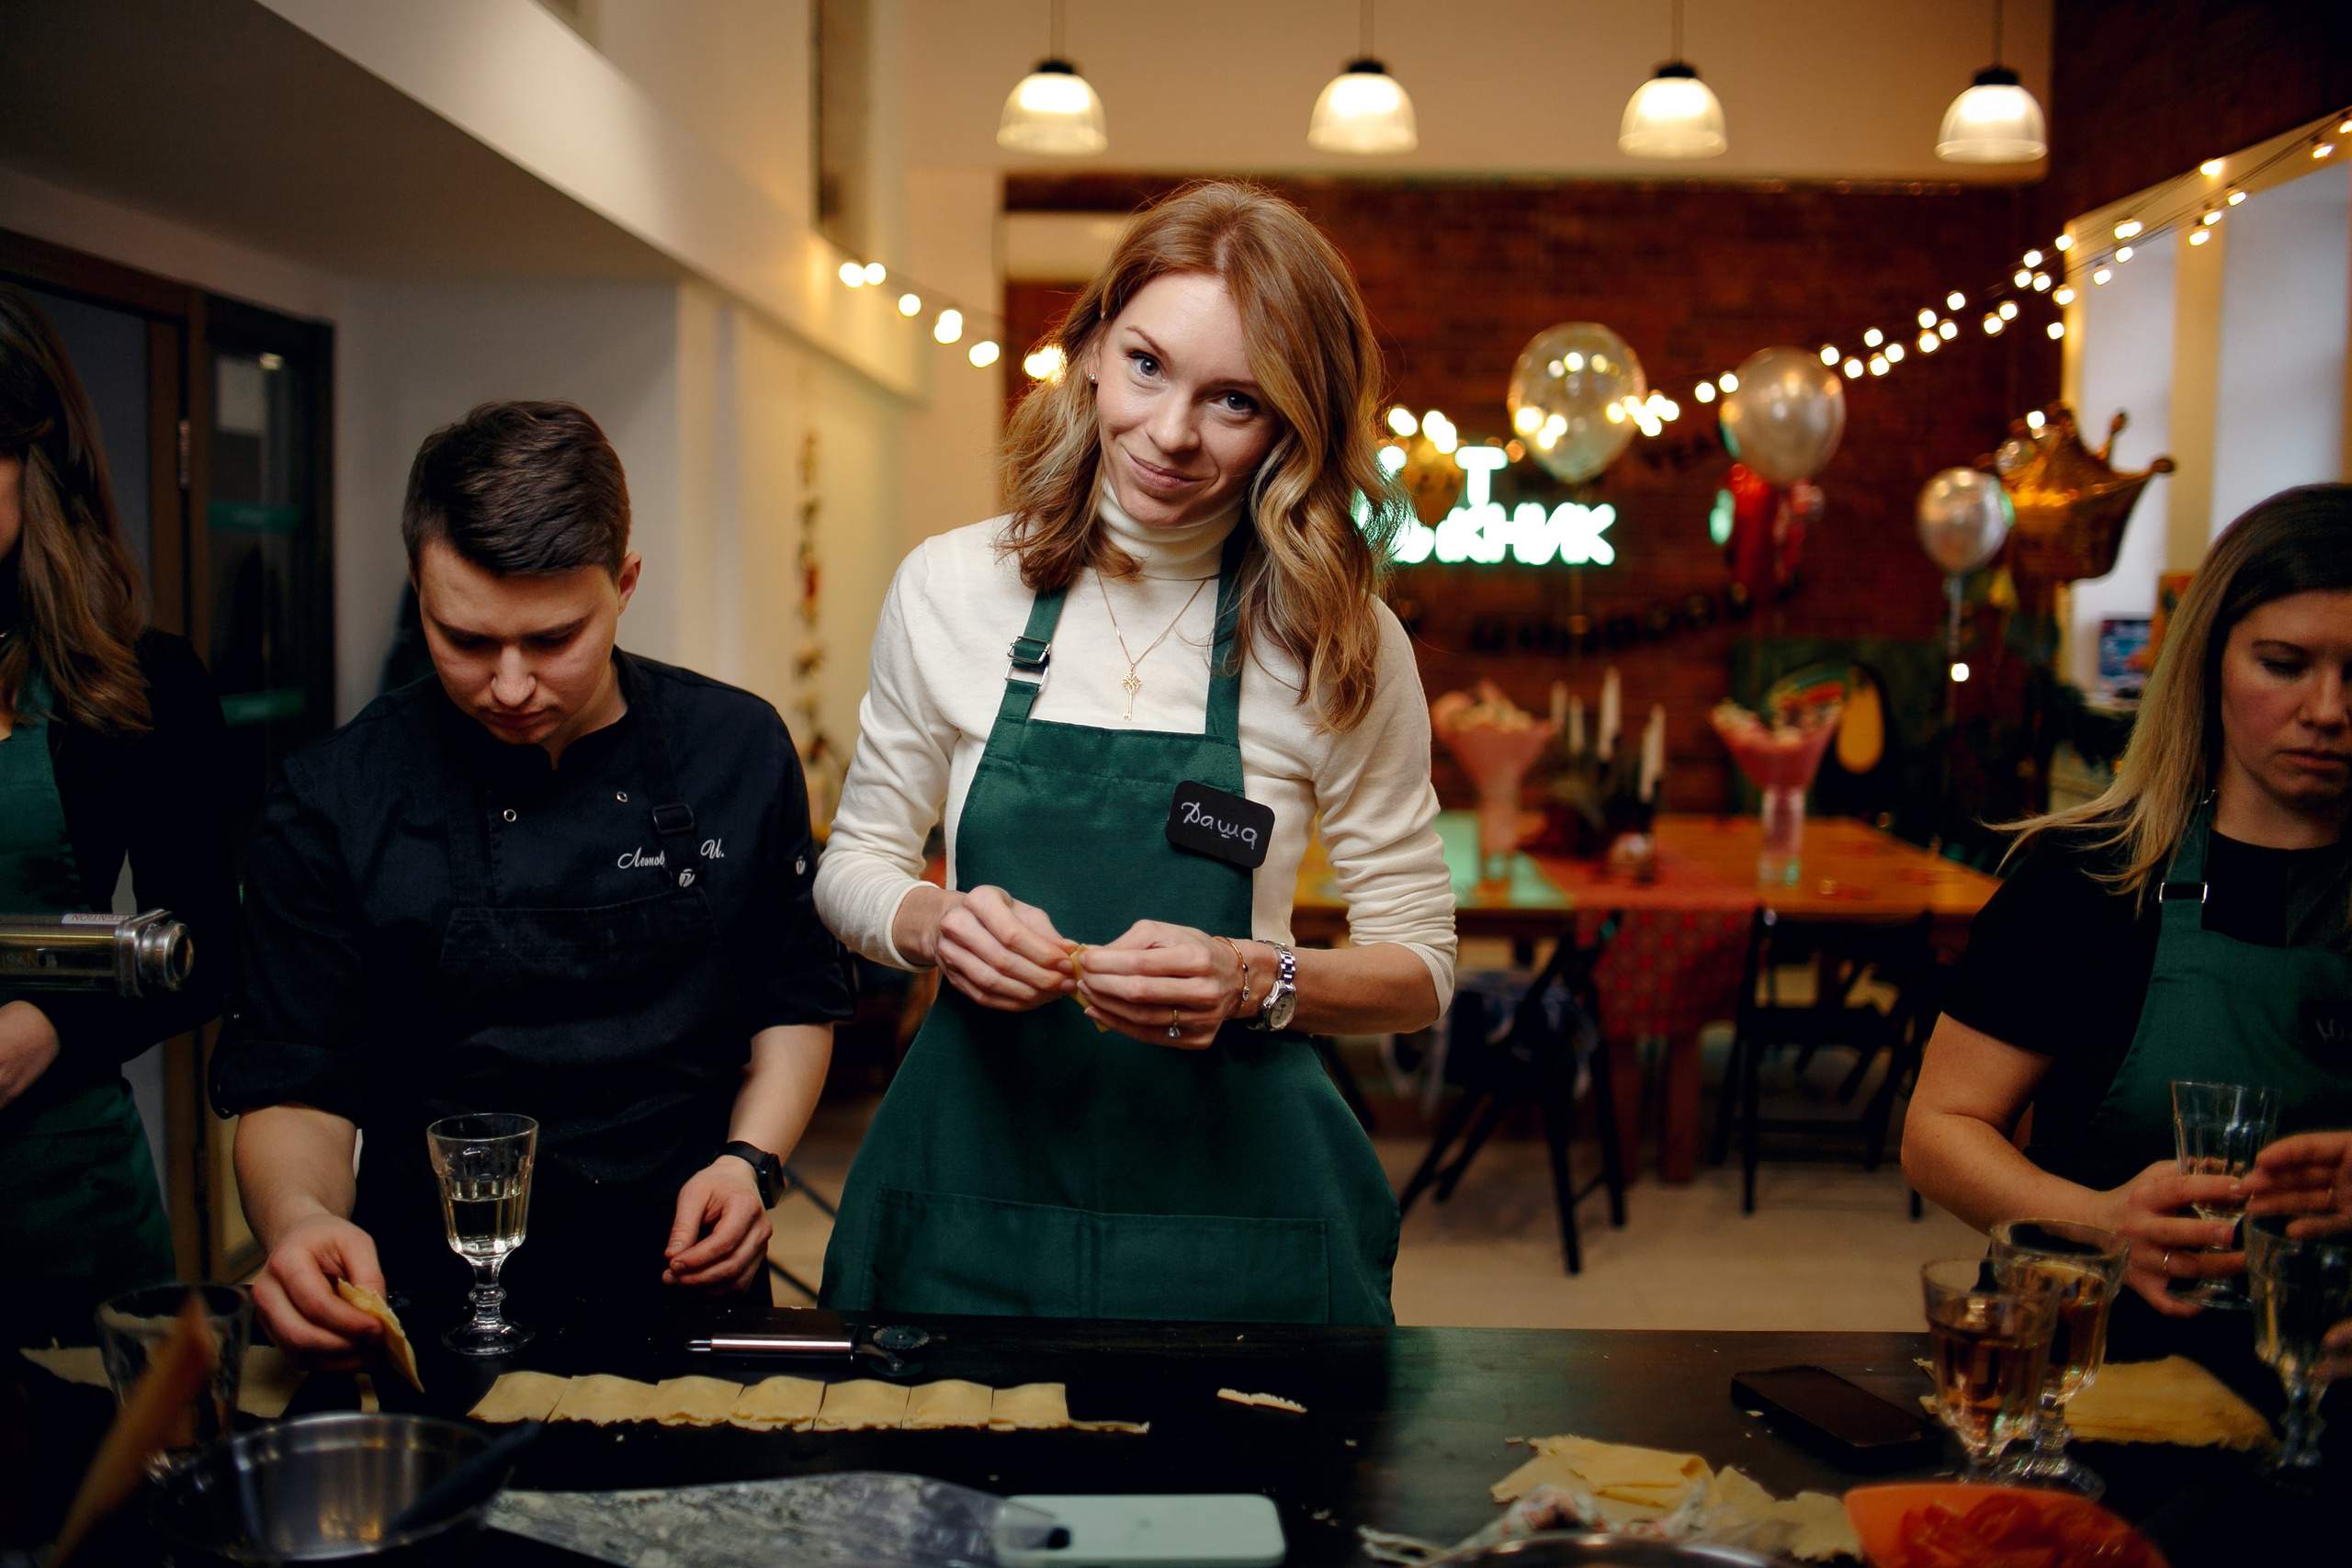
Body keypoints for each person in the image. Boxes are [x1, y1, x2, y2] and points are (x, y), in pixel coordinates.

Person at [814, 183, 1455, 1325]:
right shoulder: (953, 588)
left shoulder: (1338, 641)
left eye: (1234, 401)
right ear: (1092, 351)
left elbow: (1418, 968)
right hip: (972, 1191)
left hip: (1232, 1215)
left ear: (1293, 427)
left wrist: (1258, 978)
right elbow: (856, 860)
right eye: (1148, 366)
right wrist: (934, 921)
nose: (1170, 434)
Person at [213, 401, 849, 1369]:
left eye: (553, 640)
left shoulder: (735, 748)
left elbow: (792, 999)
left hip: (688, 1281)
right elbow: (299, 1085)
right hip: (423, 1303)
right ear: (417, 588)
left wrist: (748, 1160)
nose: (509, 686)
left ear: (624, 584)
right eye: (464, 640)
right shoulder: (333, 798)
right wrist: (299, 1220)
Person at [1905, 484, 2352, 1327]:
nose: (2327, 711)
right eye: (2284, 665)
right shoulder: (2093, 878)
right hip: (2090, 1357)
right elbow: (1938, 1131)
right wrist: (2101, 1219)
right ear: (2211, 661)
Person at [0, 287, 235, 1333]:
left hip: (62, 1203)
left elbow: (213, 943)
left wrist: (46, 1025)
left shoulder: (139, 684)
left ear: (33, 461)